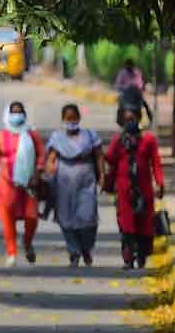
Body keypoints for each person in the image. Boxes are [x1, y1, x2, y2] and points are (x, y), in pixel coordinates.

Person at [0, 101, 44, 266]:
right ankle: (11, 252)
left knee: (32, 218)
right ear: (8, 115)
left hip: (29, 185)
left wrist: (37, 173)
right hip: (8, 185)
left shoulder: (32, 135)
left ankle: (28, 243)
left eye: (20, 112)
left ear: (24, 115)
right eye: (14, 112)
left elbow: (41, 156)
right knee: (8, 219)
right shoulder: (0, 137)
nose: (17, 115)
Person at [43, 104, 104, 267]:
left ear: (79, 118)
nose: (71, 121)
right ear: (63, 119)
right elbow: (51, 158)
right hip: (63, 183)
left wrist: (102, 175)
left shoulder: (90, 135)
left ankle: (87, 248)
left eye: (74, 118)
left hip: (86, 181)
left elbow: (99, 156)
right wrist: (48, 172)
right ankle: (74, 251)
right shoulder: (57, 138)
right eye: (68, 118)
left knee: (88, 218)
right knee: (66, 219)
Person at [105, 103, 164, 269]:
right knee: (126, 224)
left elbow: (156, 163)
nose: (129, 122)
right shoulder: (118, 140)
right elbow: (110, 158)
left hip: (144, 190)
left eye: (132, 119)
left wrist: (160, 183)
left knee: (145, 224)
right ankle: (129, 257)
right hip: (124, 190)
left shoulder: (149, 139)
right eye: (126, 120)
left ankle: (142, 255)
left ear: (138, 119)